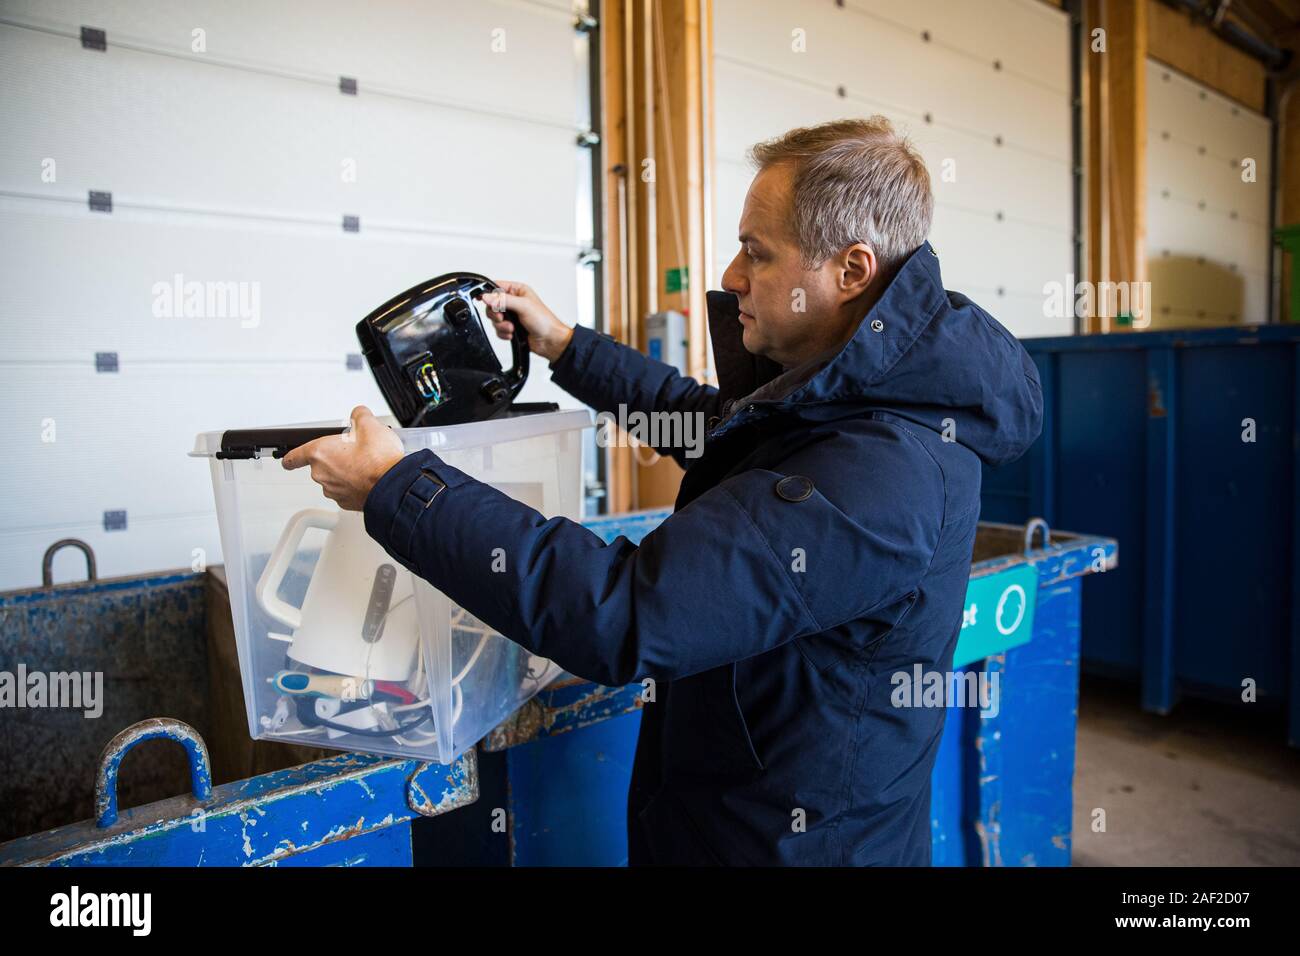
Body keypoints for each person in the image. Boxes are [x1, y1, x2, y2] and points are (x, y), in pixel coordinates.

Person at [283, 116, 1043, 865]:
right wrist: (565, 347)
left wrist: (398, 487)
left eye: (757, 253)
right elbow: (710, 426)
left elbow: (628, 612)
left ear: (849, 271)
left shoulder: (882, 472)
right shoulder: (851, 398)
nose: (731, 277)